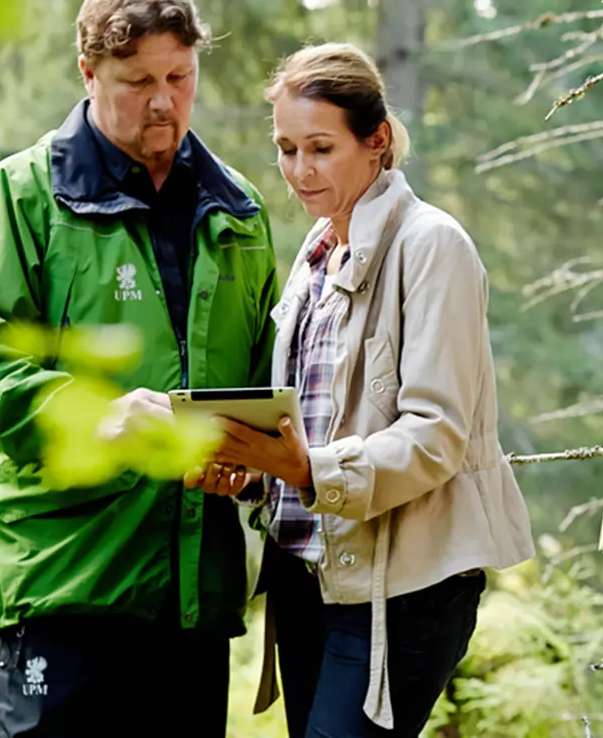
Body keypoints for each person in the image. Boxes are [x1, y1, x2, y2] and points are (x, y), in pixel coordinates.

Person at [0, 0, 280, 737]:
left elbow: (266, 374)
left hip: (194, 596)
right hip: (68, 582)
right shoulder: (20, 197)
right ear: (88, 72)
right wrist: (95, 416)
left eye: (179, 76)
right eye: (137, 80)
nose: (163, 101)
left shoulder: (240, 213)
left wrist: (253, 461)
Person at [205, 43, 533, 738]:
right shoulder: (315, 255)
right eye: (287, 149)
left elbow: (436, 435)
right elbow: (315, 422)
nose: (300, 170)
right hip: (305, 578)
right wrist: (255, 471)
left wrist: (306, 469)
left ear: (376, 139)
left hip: (401, 588)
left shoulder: (433, 245)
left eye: (321, 148)